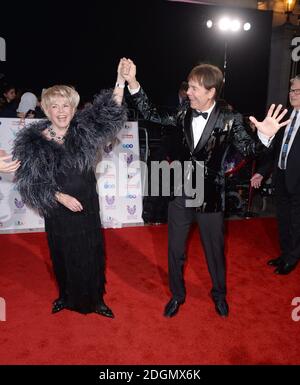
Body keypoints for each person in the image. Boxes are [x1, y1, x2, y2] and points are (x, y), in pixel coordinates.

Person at [121, 59, 289, 318]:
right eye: (188, 87)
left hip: (210, 193)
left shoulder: (230, 118)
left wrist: (265, 136)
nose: (188, 92)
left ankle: (219, 294)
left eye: (194, 88)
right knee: (175, 249)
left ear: (211, 92)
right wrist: (133, 83)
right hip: (180, 192)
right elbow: (152, 113)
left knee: (215, 250)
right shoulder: (182, 112)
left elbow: (249, 150)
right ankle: (177, 295)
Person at [12, 59, 128, 317]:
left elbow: (110, 111)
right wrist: (57, 196)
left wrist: (120, 81)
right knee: (62, 254)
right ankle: (65, 296)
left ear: (74, 108)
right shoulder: (33, 142)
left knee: (92, 253)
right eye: (54, 106)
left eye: (66, 105)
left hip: (87, 205)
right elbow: (29, 182)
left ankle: (97, 300)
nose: (61, 111)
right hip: (57, 209)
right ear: (45, 109)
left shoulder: (84, 130)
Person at [251, 74, 300, 275]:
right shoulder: (284, 116)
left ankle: (292, 258)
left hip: (299, 182)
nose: (293, 94)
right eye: (292, 90)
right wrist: (261, 173)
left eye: (298, 90)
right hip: (281, 178)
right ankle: (285, 253)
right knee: (283, 220)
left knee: (297, 223)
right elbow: (274, 150)